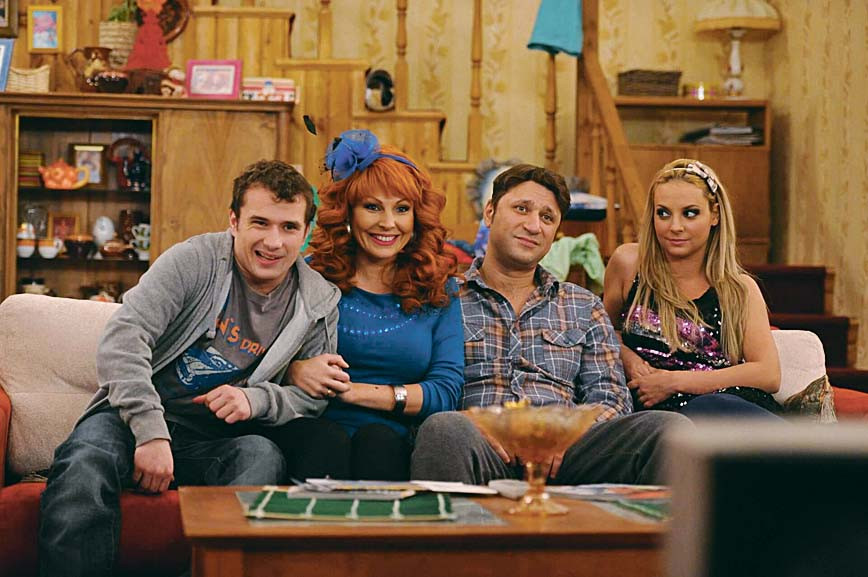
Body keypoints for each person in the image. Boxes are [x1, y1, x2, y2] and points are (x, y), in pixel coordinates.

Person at [39, 160, 342, 577]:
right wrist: (150, 431)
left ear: (305, 232)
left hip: (216, 437)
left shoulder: (318, 301)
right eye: (260, 223)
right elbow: (124, 339)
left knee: (261, 456)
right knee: (84, 460)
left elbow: (311, 399)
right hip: (131, 420)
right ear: (234, 221)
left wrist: (255, 400)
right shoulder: (194, 261)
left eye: (289, 227)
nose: (274, 242)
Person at [411, 163, 689, 486]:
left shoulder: (583, 305)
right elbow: (426, 387)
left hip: (568, 454)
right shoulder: (444, 297)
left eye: (547, 217)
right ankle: (453, 520)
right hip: (480, 445)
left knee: (669, 429)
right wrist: (472, 422)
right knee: (444, 429)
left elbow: (611, 396)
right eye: (521, 209)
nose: (533, 226)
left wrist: (567, 435)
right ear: (489, 212)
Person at [291, 129, 463, 481]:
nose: (388, 223)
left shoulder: (437, 287)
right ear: (347, 213)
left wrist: (354, 393)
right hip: (313, 429)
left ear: (416, 217)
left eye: (402, 209)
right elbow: (262, 358)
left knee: (378, 441)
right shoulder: (309, 276)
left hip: (394, 439)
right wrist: (294, 370)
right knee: (325, 439)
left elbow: (446, 391)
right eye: (372, 207)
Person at [603, 159, 781, 418]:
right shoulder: (628, 264)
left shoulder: (739, 289)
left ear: (715, 215)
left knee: (705, 407)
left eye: (690, 213)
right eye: (663, 213)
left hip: (724, 408)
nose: (675, 226)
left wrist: (674, 382)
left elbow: (768, 374)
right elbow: (601, 333)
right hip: (654, 419)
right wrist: (627, 358)